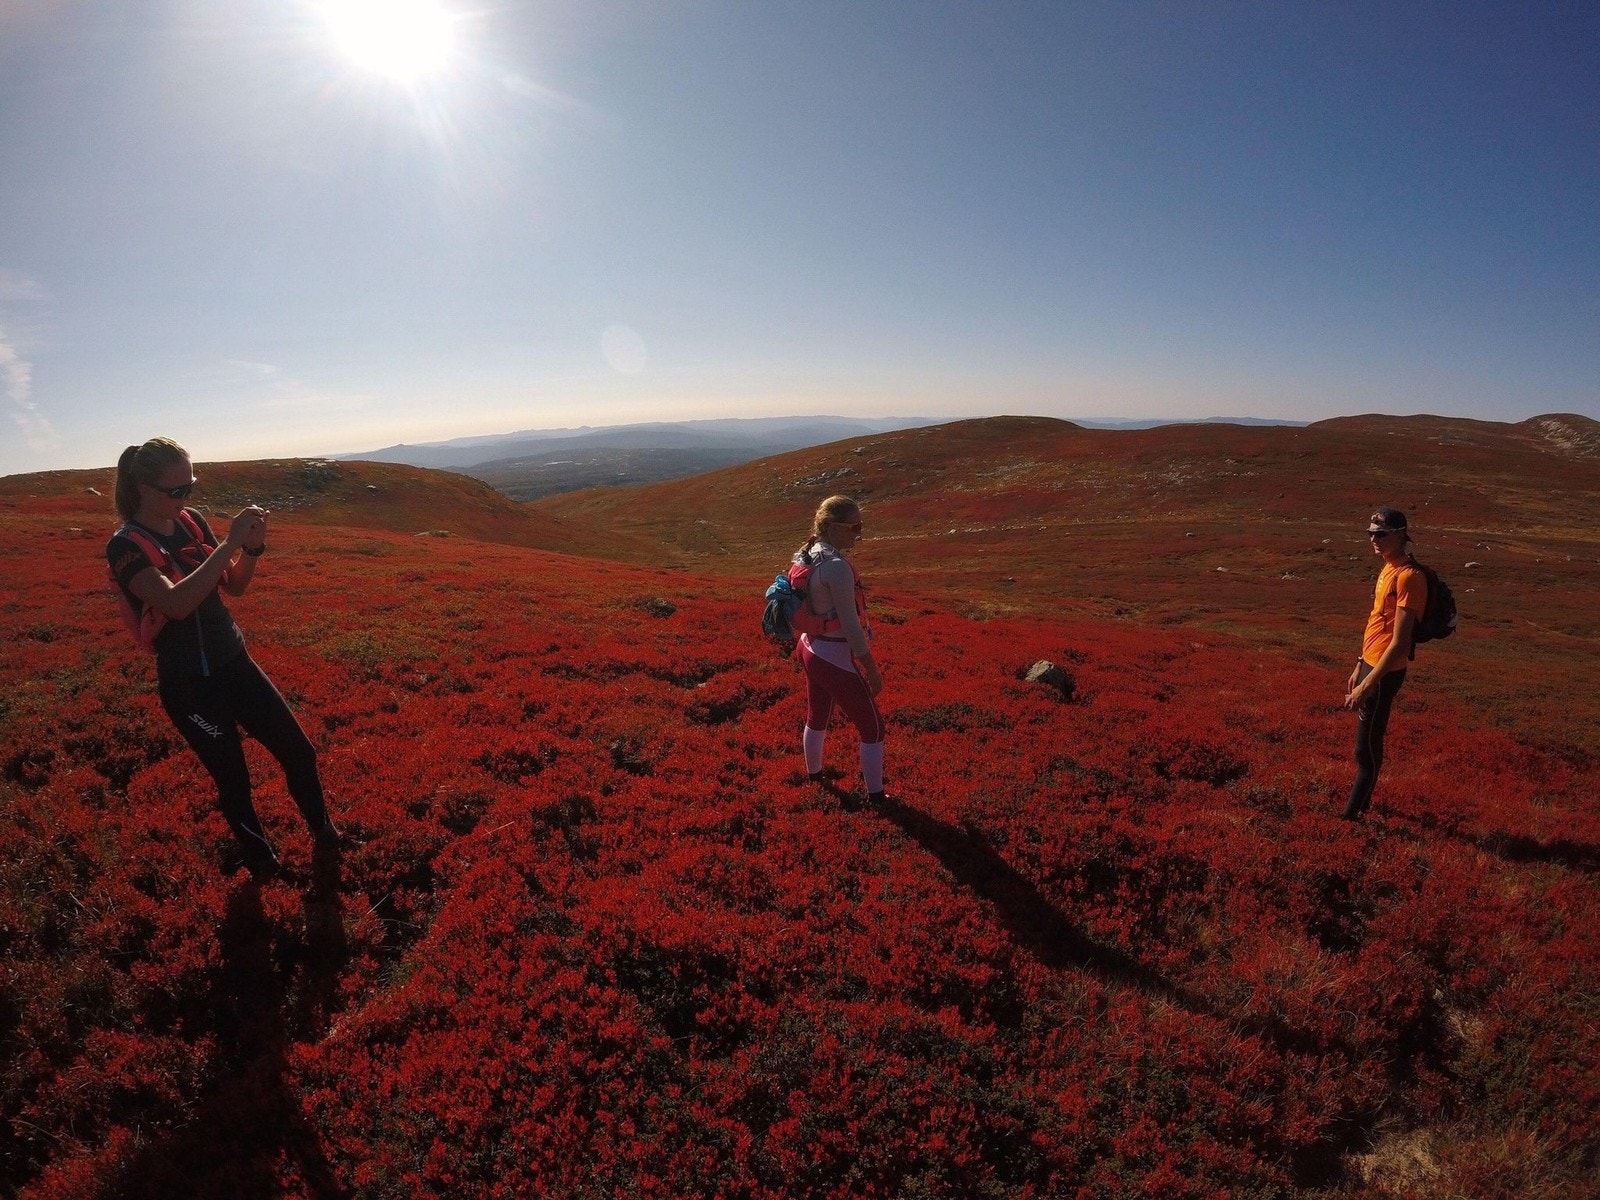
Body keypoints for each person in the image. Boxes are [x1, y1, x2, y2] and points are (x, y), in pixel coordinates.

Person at [107, 437, 340, 877]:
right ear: (141, 489)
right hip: (189, 685)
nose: (185, 499)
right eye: (175, 491)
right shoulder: (125, 547)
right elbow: (175, 604)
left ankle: (325, 836)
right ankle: (263, 865)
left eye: (189, 487)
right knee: (234, 779)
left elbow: (234, 587)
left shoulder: (191, 522)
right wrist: (231, 541)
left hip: (234, 661)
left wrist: (250, 548)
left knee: (299, 752)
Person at [792, 495, 887, 806]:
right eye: (854, 527)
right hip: (833, 655)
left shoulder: (807, 553)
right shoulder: (837, 568)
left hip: (808, 646)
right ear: (833, 527)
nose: (859, 534)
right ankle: (877, 798)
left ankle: (814, 777)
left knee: (817, 716)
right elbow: (851, 627)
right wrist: (871, 670)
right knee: (873, 727)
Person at [1342, 506, 1428, 821]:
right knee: (1363, 745)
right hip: (1370, 664)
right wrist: (1359, 664)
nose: (1374, 539)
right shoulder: (1387, 568)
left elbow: (1400, 643)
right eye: (1370, 534)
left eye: (1381, 534)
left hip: (1385, 673)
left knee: (1365, 751)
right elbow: (1377, 624)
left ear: (1401, 534)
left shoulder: (1409, 578)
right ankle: (1359, 809)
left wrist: (1368, 683)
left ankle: (1352, 818)